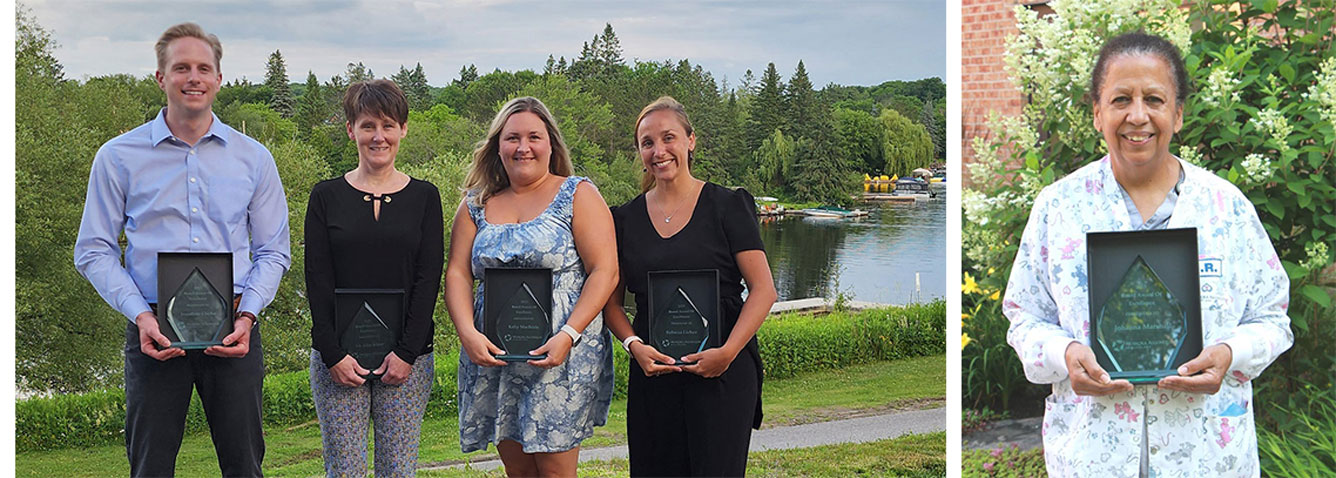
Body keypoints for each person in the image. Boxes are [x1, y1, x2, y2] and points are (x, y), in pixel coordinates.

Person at [1004, 32, 1292, 477]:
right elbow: (1025, 317)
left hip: (1206, 457)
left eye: (1154, 99)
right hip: (1094, 455)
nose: (1137, 116)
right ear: (1097, 113)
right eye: (1121, 99)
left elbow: (1272, 318)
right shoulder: (1059, 208)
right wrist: (1064, 352)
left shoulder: (1226, 208)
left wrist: (1230, 353)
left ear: (1177, 115)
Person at [73, 22, 290, 477]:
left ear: (218, 79)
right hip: (154, 332)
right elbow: (93, 249)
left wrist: (248, 315)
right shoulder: (117, 157)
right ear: (160, 77)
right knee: (150, 467)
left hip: (234, 329)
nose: (193, 77)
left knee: (245, 466)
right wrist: (141, 315)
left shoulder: (254, 158)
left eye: (203, 68)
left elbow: (273, 251)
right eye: (181, 68)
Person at [602, 96, 777, 477]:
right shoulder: (623, 220)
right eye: (647, 143)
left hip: (723, 371)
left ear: (691, 141)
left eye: (669, 138)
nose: (659, 151)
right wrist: (634, 347)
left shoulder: (728, 205)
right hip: (654, 373)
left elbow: (764, 290)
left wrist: (728, 353)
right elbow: (611, 304)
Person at [444, 96, 618, 477]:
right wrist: (467, 333)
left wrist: (569, 334)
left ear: (550, 144)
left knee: (556, 471)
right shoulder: (475, 203)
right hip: (495, 355)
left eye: (534, 137)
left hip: (560, 353)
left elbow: (605, 271)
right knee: (518, 471)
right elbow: (457, 272)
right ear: (497, 146)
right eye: (512, 138)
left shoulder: (578, 194)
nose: (523, 147)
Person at [304, 79, 442, 477]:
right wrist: (332, 353)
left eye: (387, 125)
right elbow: (317, 278)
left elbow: (427, 277)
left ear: (403, 129)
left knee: (398, 470)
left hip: (407, 360)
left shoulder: (424, 197)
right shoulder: (325, 196)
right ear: (351, 130)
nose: (378, 136)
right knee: (344, 470)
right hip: (338, 361)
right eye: (367, 126)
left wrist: (407, 353)